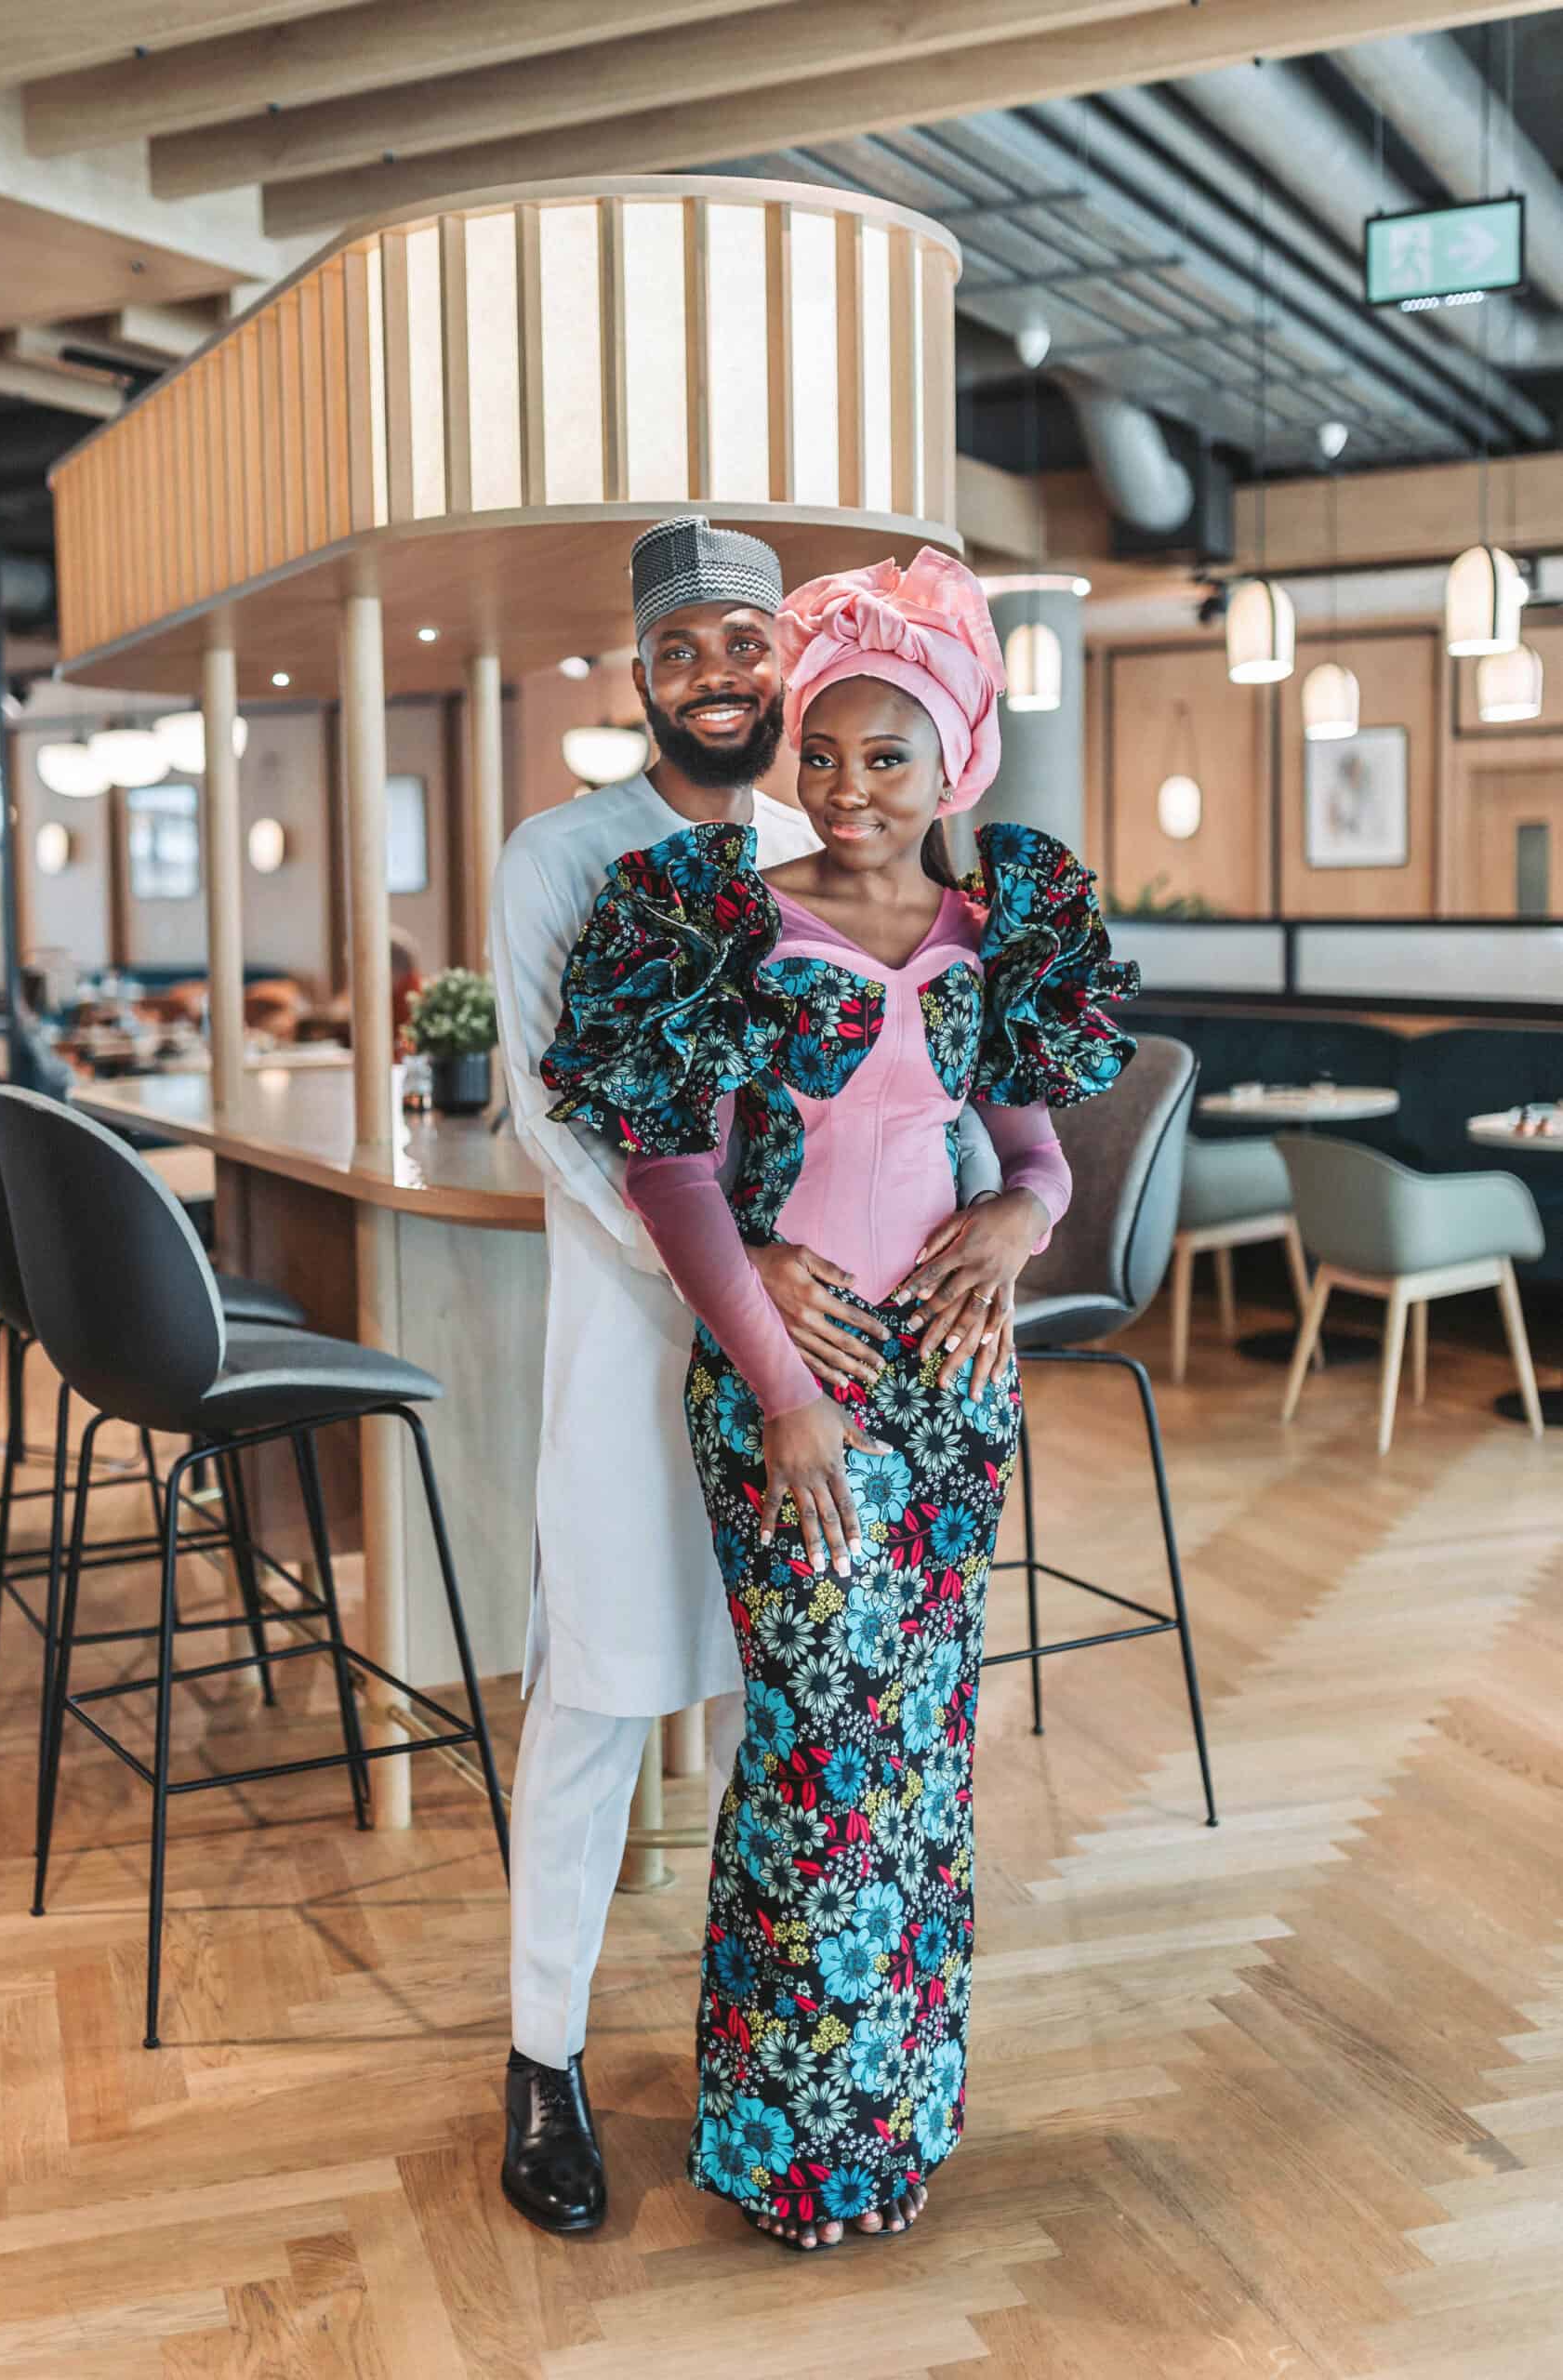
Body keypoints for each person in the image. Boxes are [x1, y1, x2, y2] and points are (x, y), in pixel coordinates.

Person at [541, 548, 1139, 2250]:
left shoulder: (994, 922)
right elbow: (668, 1176)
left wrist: (1023, 1221)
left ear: (954, 764)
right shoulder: (716, 921)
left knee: (927, 1754)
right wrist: (788, 1390)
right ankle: (790, 2150)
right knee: (815, 1748)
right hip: (790, 1405)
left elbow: (1029, 1151)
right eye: (823, 753)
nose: (847, 787)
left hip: (954, 1398)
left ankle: (900, 2121)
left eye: (886, 757)